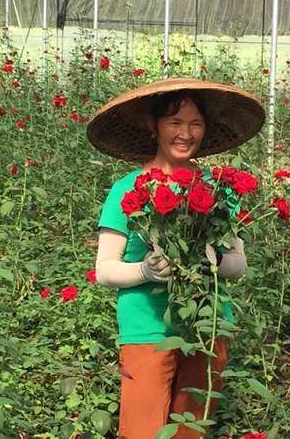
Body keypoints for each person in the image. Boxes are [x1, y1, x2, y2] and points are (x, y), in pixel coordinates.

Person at [86, 78, 265, 439]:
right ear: (153, 125)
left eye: (195, 123)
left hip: (208, 326)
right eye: (175, 122)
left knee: (190, 431)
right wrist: (145, 270)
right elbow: (104, 270)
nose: (186, 134)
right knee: (142, 431)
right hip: (147, 328)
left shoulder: (217, 189)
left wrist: (213, 261)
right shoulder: (127, 189)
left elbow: (239, 263)